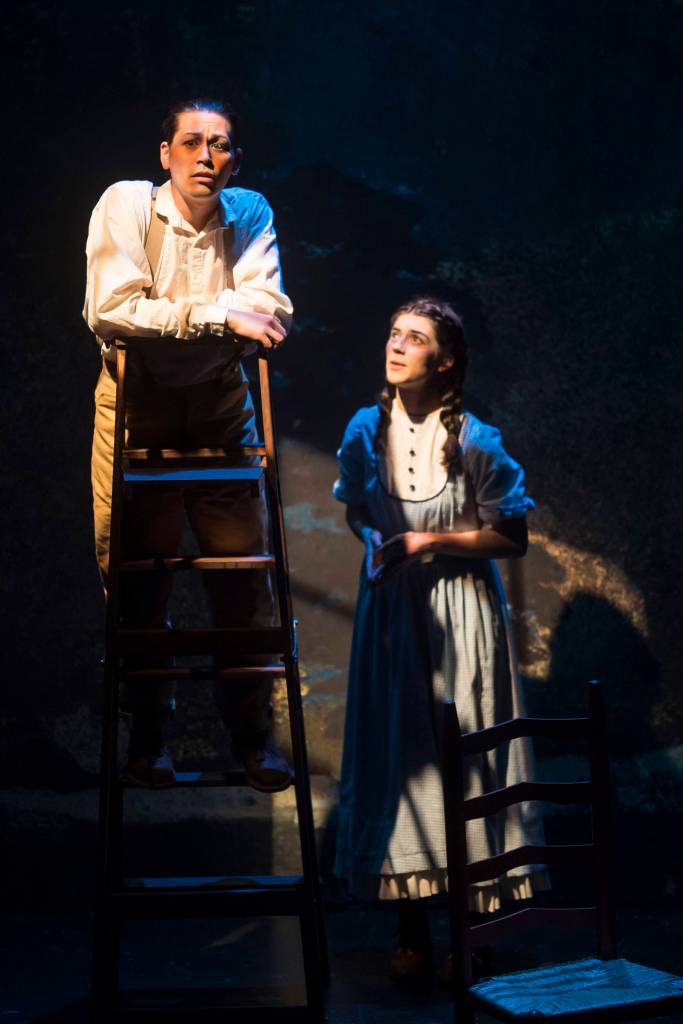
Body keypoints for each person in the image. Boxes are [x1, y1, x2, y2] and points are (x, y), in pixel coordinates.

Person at [332, 297, 547, 981]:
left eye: (414, 339)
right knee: (400, 757)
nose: (395, 346)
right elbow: (358, 509)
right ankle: (409, 921)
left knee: (465, 754)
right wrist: (373, 542)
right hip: (394, 613)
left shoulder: (478, 440)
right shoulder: (364, 430)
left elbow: (509, 537)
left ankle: (474, 918)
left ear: (445, 359)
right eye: (392, 333)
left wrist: (428, 539)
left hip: (460, 614)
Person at [84, 98, 293, 791]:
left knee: (241, 578)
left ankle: (252, 737)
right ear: (165, 153)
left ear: (236, 159)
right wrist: (216, 312)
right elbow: (110, 309)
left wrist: (197, 318)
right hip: (137, 405)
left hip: (216, 406)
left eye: (222, 146)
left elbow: (268, 314)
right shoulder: (127, 205)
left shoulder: (250, 212)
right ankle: (148, 738)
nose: (207, 156)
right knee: (137, 578)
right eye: (193, 143)